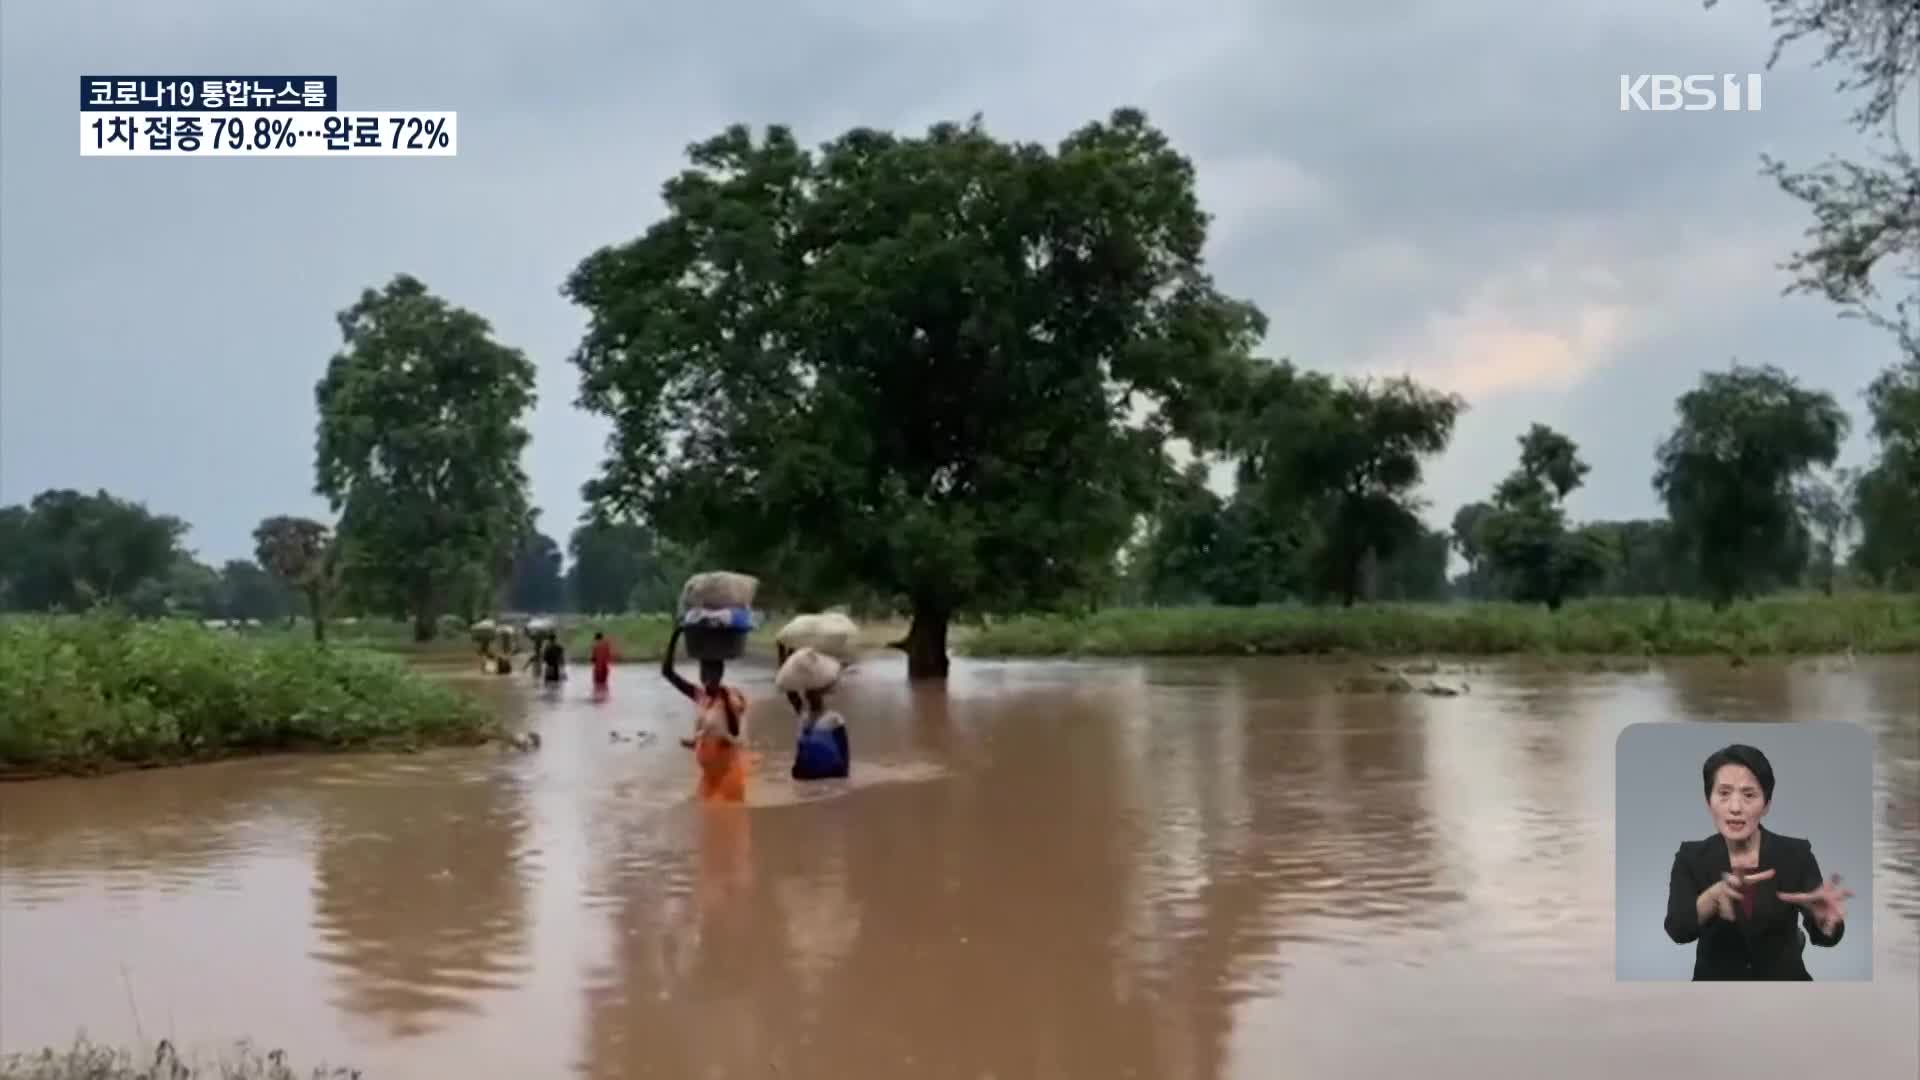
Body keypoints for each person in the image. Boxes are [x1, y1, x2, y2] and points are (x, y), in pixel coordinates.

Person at [1663, 743, 1853, 980]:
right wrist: (1711, 898)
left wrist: (1826, 922)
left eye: (1749, 795)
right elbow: (1678, 930)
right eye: (1723, 793)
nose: (1735, 808)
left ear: (1767, 804)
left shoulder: (1796, 854)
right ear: (1707, 800)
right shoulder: (1690, 857)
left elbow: (1824, 937)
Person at [662, 624, 750, 802]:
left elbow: (734, 733)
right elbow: (667, 672)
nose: (706, 678)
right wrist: (675, 637)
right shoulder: (702, 696)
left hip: (728, 776)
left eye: (711, 673)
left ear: (719, 674)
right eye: (704, 673)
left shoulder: (731, 698)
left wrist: (719, 738)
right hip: (709, 778)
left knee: (730, 822)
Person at [788, 687, 850, 781]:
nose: (813, 698)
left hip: (824, 770)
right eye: (811, 695)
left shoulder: (834, 718)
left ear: (821, 696)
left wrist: (844, 769)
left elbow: (843, 747)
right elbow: (801, 746)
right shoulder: (805, 717)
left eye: (815, 694)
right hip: (812, 770)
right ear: (807, 698)